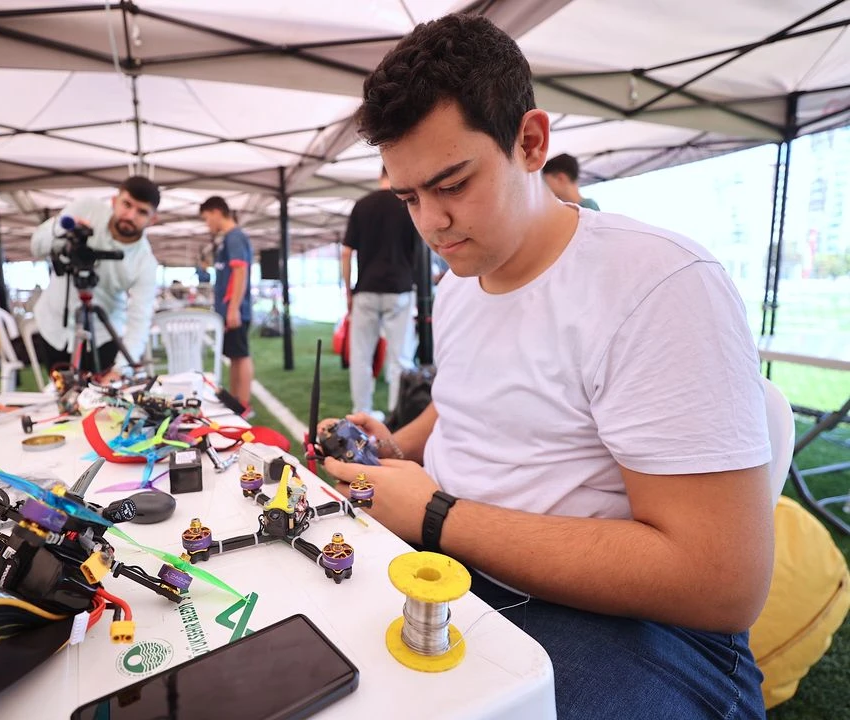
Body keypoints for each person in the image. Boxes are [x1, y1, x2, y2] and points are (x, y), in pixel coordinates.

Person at [321, 14, 772, 720]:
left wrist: (435, 514)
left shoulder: (657, 283)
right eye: (409, 197)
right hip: (459, 567)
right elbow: (472, 399)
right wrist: (394, 446)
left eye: (451, 183)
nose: (430, 224)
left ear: (531, 143)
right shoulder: (461, 276)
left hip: (629, 628)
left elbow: (720, 581)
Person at [30, 176, 160, 375]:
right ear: (114, 201)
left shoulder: (145, 263)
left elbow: (140, 319)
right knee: (62, 397)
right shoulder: (86, 208)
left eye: (142, 212)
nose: (131, 215)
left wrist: (121, 370)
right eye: (127, 204)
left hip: (103, 336)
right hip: (54, 327)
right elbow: (37, 246)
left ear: (152, 220)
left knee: (101, 401)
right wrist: (62, 228)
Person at [343, 167, 419, 419]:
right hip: (400, 288)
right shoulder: (409, 204)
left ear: (379, 176)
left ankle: (361, 411)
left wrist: (348, 292)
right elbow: (419, 250)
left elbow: (346, 252)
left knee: (361, 355)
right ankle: (396, 414)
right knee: (401, 357)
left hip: (365, 289)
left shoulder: (362, 205)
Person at [200, 196, 254, 413]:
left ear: (215, 212)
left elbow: (241, 271)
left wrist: (233, 309)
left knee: (241, 355)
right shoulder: (228, 239)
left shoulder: (235, 237)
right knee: (234, 356)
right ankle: (235, 401)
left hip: (236, 310)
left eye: (206, 218)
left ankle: (244, 404)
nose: (207, 224)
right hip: (229, 309)